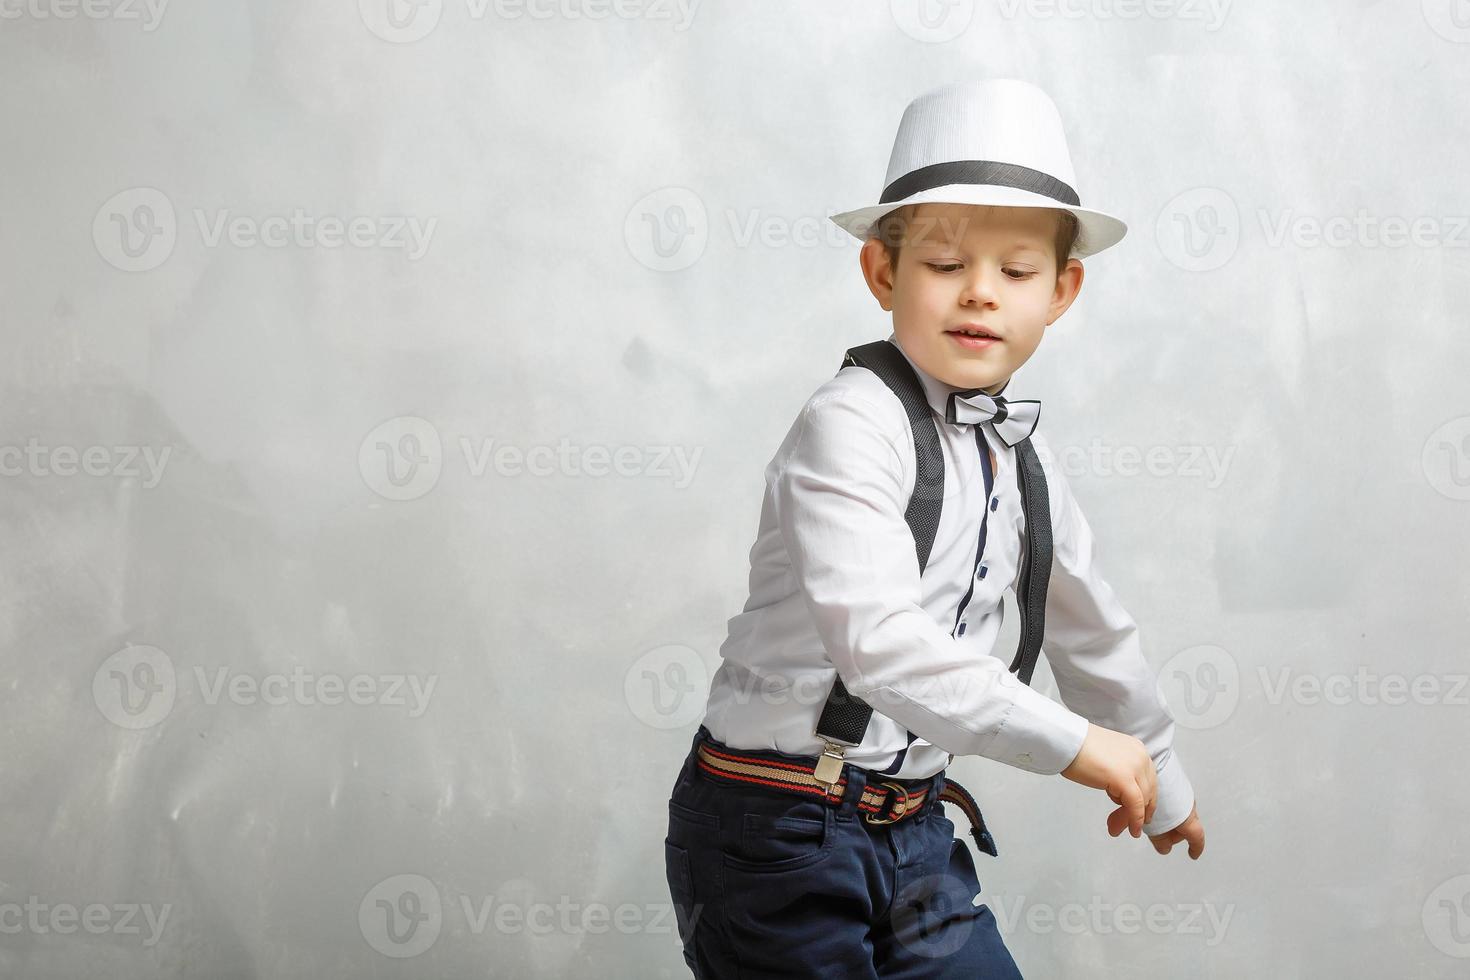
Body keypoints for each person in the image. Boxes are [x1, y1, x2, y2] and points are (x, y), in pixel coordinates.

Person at [662, 78, 1206, 979]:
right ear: (884, 274)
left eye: (1018, 272)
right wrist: (1075, 746)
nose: (981, 295)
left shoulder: (1022, 463)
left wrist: (1158, 770)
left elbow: (1091, 627)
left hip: (912, 823)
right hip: (774, 822)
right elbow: (881, 646)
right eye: (946, 266)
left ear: (1063, 290)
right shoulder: (849, 425)